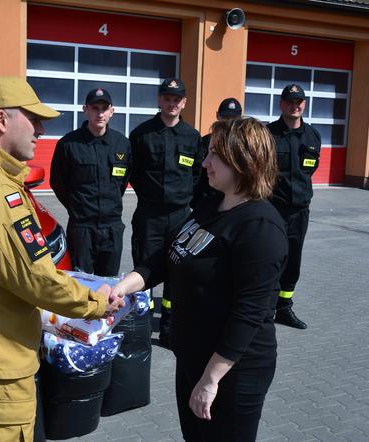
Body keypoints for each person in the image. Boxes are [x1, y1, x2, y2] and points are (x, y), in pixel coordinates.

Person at [0, 76, 124, 441]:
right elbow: (36, 279)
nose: (41, 130)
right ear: (2, 120)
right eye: (33, 120)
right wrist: (98, 303)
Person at [112, 117, 288, 441]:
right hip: (193, 357)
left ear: (242, 160)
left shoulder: (261, 227)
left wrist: (210, 379)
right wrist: (124, 285)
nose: (204, 162)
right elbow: (168, 255)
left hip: (231, 372)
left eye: (214, 155)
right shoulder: (212, 204)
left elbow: (248, 313)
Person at [129, 77, 203, 346]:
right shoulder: (141, 134)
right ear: (159, 100)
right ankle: (142, 327)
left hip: (181, 216)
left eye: (177, 99)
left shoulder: (192, 137)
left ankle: (170, 327)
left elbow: (197, 174)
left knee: (177, 271)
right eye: (167, 98)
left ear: (184, 103)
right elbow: (133, 173)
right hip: (150, 214)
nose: (172, 103)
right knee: (145, 268)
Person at [50, 88, 131, 276]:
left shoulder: (122, 144)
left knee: (109, 283)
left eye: (104, 108)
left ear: (112, 111)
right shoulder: (68, 144)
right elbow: (58, 183)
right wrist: (78, 208)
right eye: (95, 108)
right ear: (85, 109)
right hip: (82, 229)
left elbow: (123, 181)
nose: (100, 113)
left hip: (112, 228)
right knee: (82, 283)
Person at [267, 83, 321, 330]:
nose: (295, 105)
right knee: (269, 258)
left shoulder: (312, 136)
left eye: (299, 101)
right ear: (281, 104)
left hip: (299, 210)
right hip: (272, 209)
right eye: (290, 101)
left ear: (304, 104)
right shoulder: (268, 134)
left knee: (293, 260)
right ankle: (265, 308)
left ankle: (284, 308)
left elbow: (309, 169)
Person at [192, 97, 242, 209]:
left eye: (233, 118)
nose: (228, 122)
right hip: (207, 200)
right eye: (225, 117)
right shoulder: (205, 142)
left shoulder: (242, 146)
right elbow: (197, 174)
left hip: (232, 201)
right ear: (217, 116)